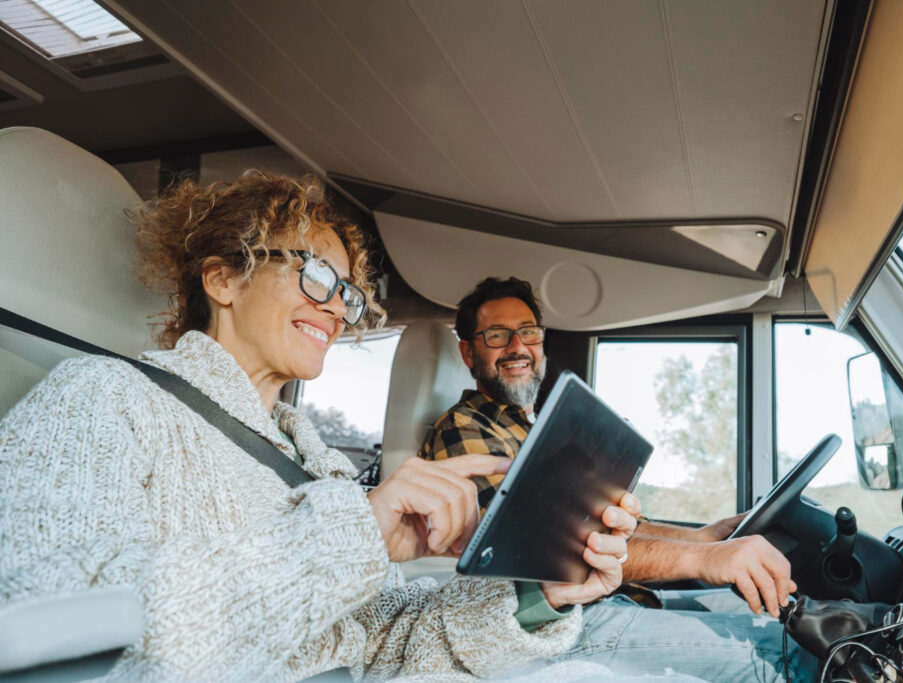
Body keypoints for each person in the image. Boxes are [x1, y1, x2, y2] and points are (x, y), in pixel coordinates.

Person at [0, 173, 637, 681]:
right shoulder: (104, 397)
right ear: (223, 277)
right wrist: (346, 537)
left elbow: (389, 642)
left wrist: (540, 598)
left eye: (348, 294)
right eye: (316, 276)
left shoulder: (318, 462)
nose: (336, 307)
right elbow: (39, 620)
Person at [420, 276, 819, 681]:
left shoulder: (536, 430)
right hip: (557, 626)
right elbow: (538, 554)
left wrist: (702, 536)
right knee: (787, 656)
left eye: (528, 332)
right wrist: (701, 558)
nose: (518, 347)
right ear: (468, 352)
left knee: (802, 620)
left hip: (609, 600)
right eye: (498, 335)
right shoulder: (463, 431)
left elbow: (596, 529)